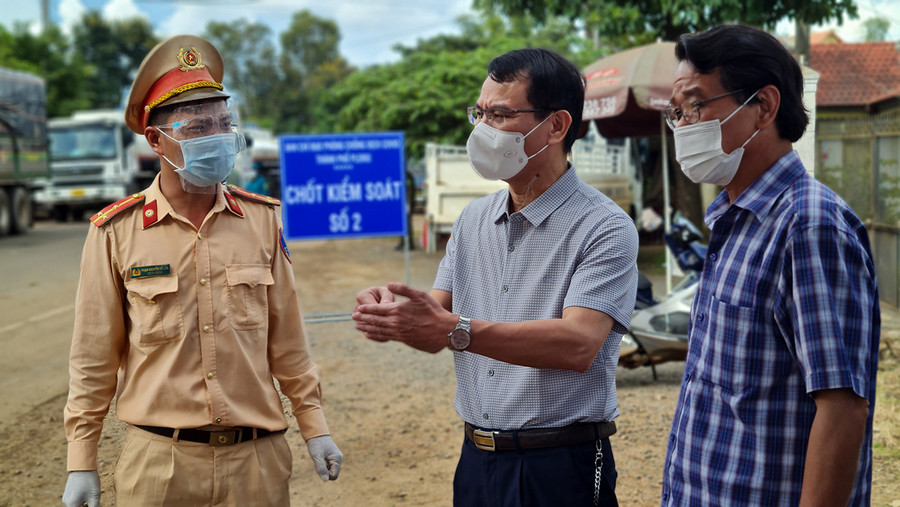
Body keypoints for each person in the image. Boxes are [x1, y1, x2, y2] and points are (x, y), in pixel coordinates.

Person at [61, 35, 342, 507]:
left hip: (257, 461)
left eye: (224, 123)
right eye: (197, 127)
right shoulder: (115, 232)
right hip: (159, 465)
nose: (217, 137)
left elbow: (289, 342)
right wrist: (80, 459)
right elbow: (93, 358)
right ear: (156, 140)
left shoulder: (261, 219)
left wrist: (315, 427)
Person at [353, 48, 638, 506]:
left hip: (563, 463)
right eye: (480, 113)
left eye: (501, 114)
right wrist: (397, 312)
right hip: (477, 459)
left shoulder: (603, 226)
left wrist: (456, 330)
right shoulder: (472, 221)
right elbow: (436, 326)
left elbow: (579, 344)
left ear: (557, 126)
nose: (483, 129)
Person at [661, 24, 880, 506]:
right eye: (676, 112)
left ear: (762, 107)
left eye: (696, 105)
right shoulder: (734, 220)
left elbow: (842, 408)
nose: (683, 125)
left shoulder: (808, 226)